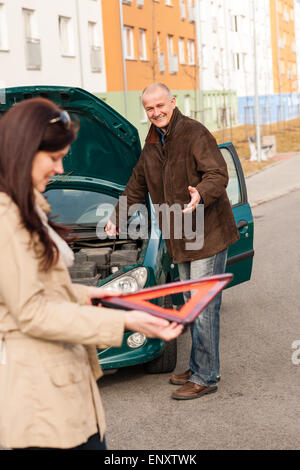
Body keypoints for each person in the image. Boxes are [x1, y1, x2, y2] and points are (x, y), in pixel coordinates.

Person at [0, 97, 183, 450]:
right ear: (23, 152)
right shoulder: (8, 219)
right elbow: (31, 311)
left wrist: (92, 294)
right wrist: (126, 323)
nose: (60, 168)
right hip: (40, 401)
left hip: (61, 387)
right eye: (53, 158)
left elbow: (42, 290)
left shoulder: (28, 209)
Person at [106, 83, 239, 400]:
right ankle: (198, 366)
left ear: (173, 102)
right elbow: (136, 185)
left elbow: (218, 174)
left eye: (160, 105)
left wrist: (201, 194)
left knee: (203, 308)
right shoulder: (151, 143)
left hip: (208, 233)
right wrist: (116, 217)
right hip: (180, 240)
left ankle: (206, 377)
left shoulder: (194, 132)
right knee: (192, 309)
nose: (156, 112)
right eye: (149, 108)